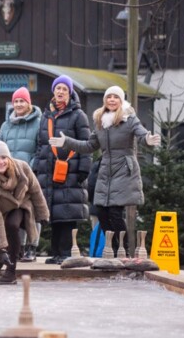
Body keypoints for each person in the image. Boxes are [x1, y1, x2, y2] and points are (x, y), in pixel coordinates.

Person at [50, 85, 160, 255]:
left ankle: (125, 251)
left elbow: (141, 134)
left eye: (116, 97)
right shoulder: (101, 121)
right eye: (109, 97)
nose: (112, 100)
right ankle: (114, 249)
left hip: (124, 169)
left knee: (115, 212)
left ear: (121, 100)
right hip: (106, 170)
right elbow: (89, 145)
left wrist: (148, 139)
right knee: (101, 212)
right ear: (105, 100)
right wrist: (67, 142)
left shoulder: (129, 118)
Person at [32, 75, 91, 263]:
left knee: (67, 215)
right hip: (49, 172)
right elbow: (40, 145)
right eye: (58, 88)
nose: (60, 92)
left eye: (64, 89)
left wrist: (84, 168)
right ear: (53, 91)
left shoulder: (78, 115)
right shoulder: (46, 115)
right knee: (54, 215)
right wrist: (37, 167)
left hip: (70, 172)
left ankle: (65, 253)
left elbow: (86, 143)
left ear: (70, 93)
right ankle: (55, 252)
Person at [0, 141, 50, 285]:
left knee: (12, 225)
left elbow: (36, 191)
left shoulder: (22, 168)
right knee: (6, 230)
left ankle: (10, 272)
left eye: (4, 157)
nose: (1, 162)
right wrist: (1, 249)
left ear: (9, 158)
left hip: (21, 203)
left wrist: (43, 213)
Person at [0, 86, 43, 261]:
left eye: (22, 101)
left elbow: (40, 149)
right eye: (16, 101)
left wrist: (30, 170)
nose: (18, 104)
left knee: (31, 212)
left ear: (28, 103)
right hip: (9, 177)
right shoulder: (5, 125)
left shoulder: (39, 122)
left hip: (29, 175)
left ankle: (33, 247)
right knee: (13, 213)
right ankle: (19, 248)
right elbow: (0, 148)